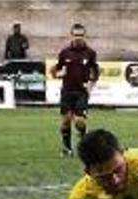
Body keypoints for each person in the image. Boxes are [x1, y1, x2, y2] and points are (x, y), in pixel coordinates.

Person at [50, 23, 99, 156]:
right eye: (76, 35)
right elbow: (56, 70)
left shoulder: (90, 53)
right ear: (71, 36)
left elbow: (96, 72)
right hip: (66, 91)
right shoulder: (64, 53)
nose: (78, 38)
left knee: (79, 122)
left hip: (81, 93)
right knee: (65, 121)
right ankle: (67, 148)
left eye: (81, 35)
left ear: (84, 36)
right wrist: (58, 74)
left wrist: (90, 86)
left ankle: (83, 137)